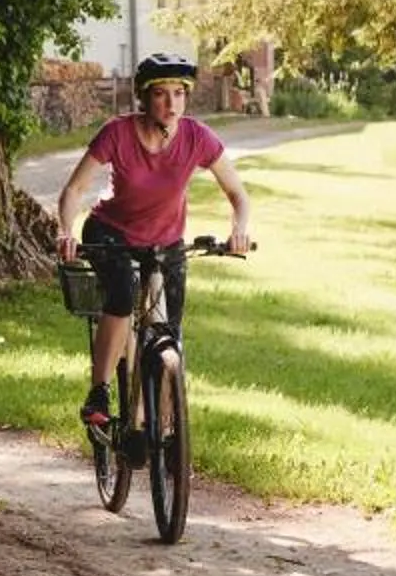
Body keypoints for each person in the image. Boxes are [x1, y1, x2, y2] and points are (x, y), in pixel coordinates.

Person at [54, 52, 256, 432]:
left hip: (165, 241)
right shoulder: (117, 133)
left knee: (168, 332)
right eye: (161, 94)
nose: (171, 104)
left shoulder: (197, 136)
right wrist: (65, 231)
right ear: (145, 98)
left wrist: (239, 230)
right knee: (122, 295)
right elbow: (74, 189)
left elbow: (238, 195)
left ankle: (160, 427)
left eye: (179, 93)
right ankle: (99, 393)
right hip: (111, 233)